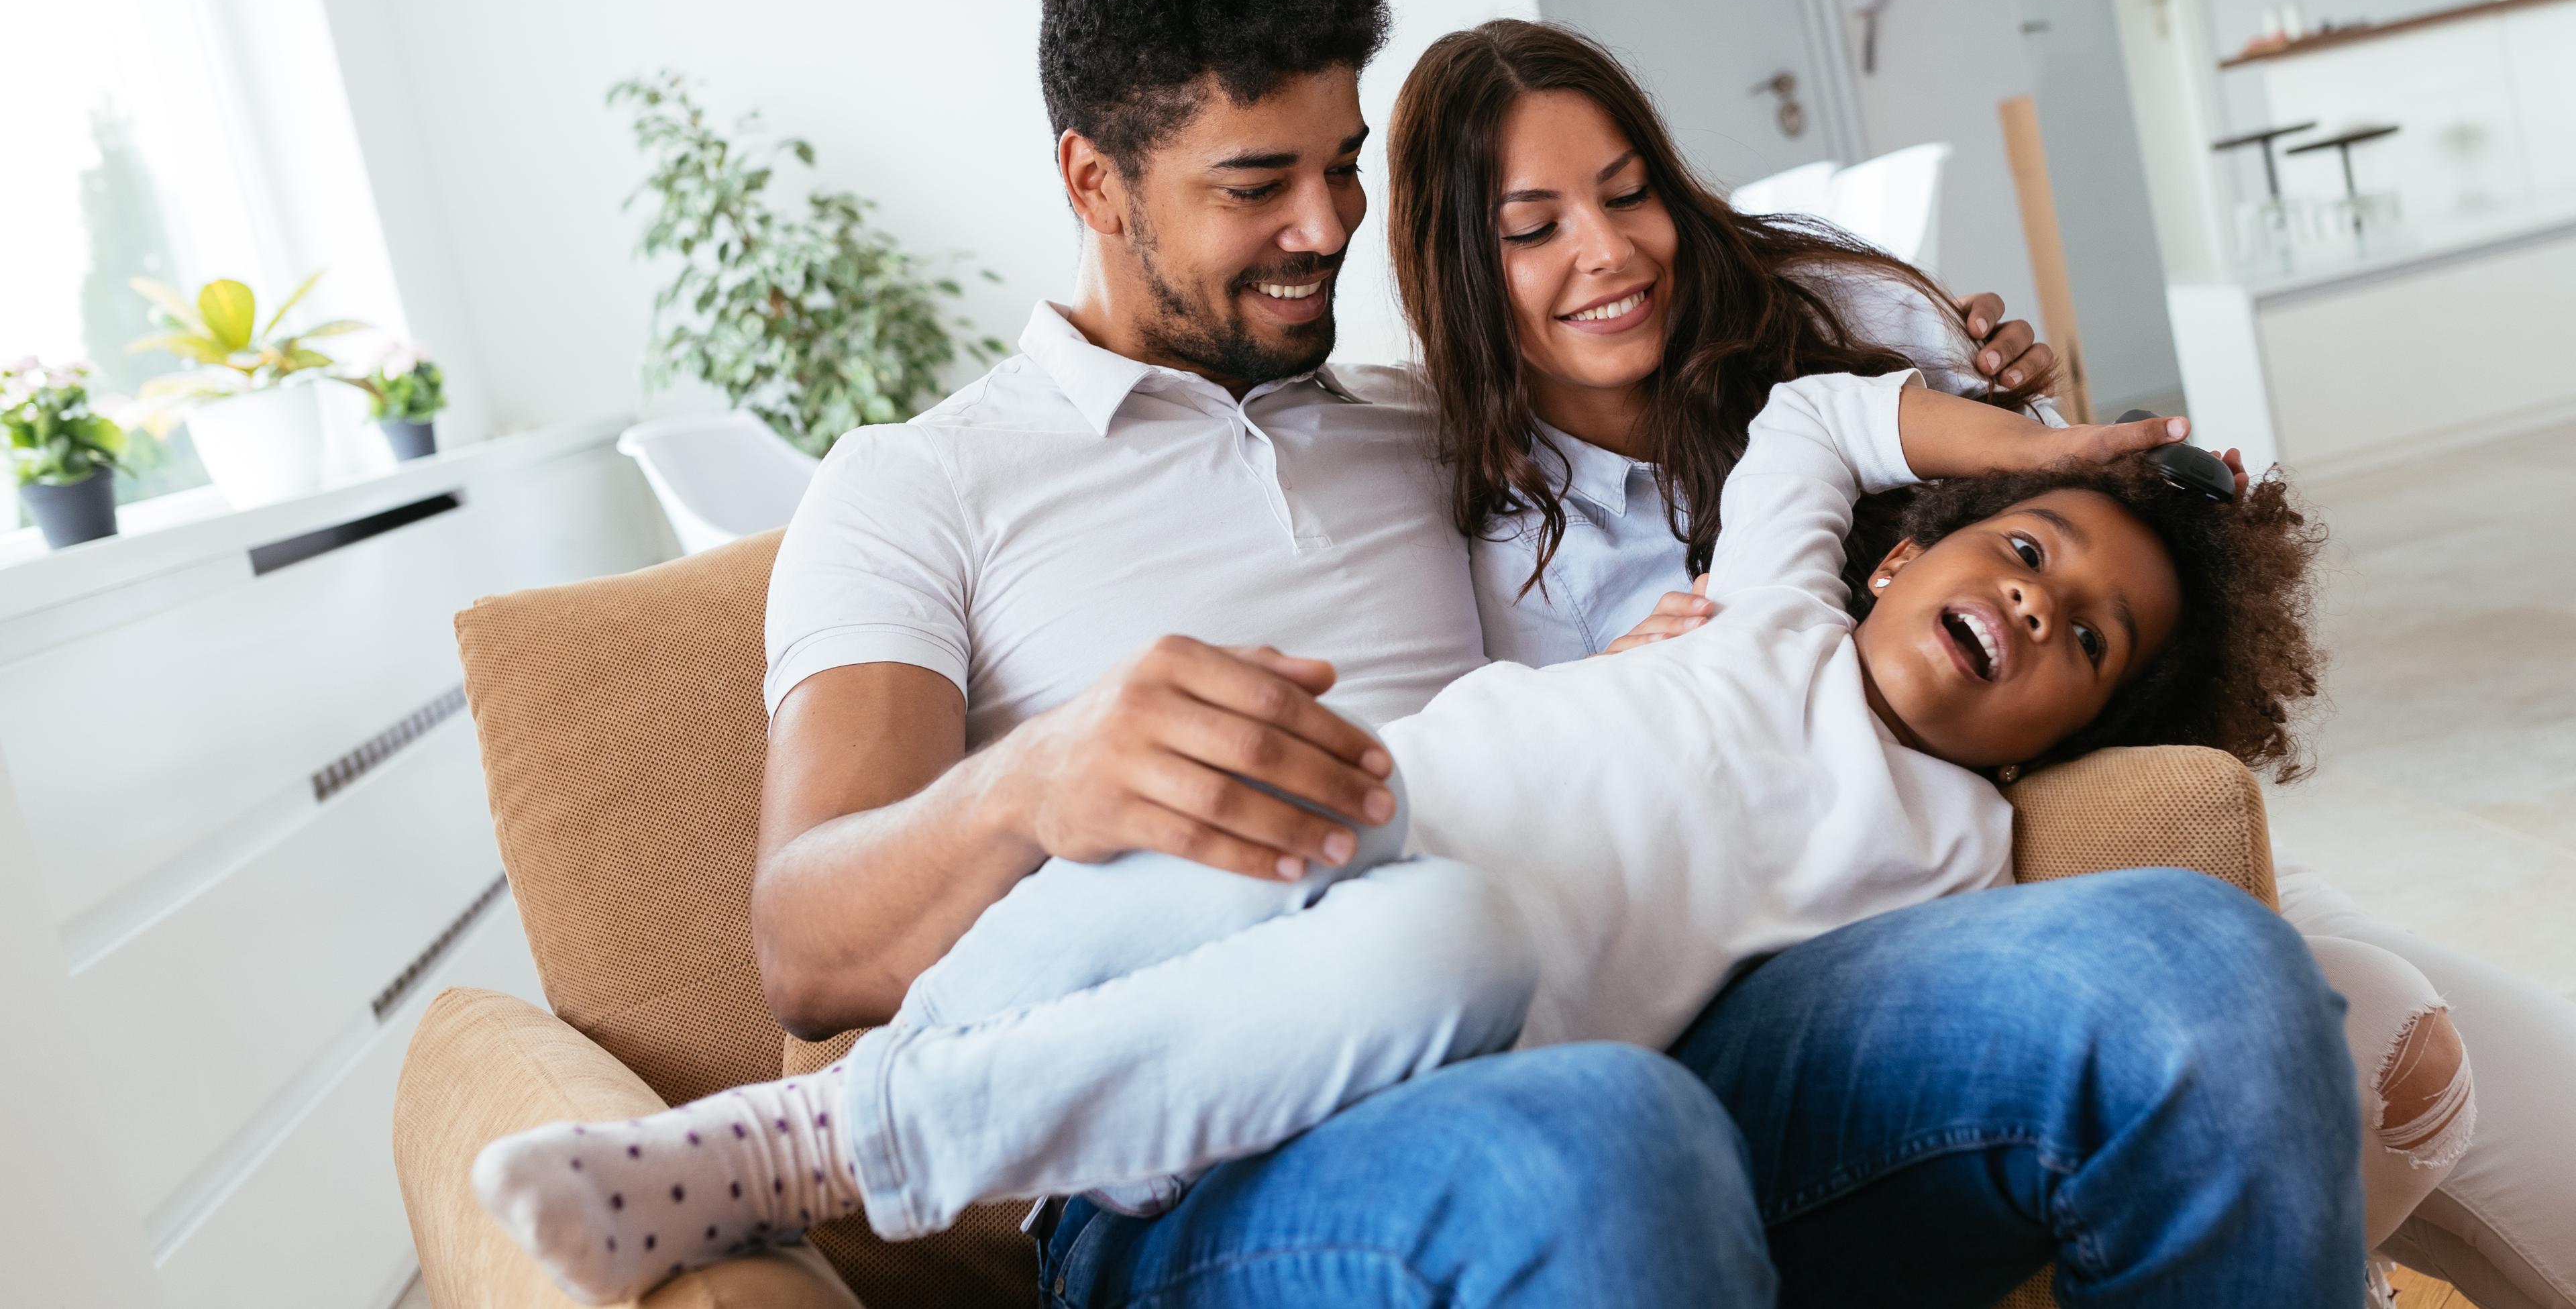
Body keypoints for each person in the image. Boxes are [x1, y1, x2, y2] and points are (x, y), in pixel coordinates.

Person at [635, 0, 2356, 1308]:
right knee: (1609, 1137)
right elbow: (805, 943)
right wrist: (1044, 778)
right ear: (1094, 179)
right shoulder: (919, 486)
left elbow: (1756, 410)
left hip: (1637, 1004)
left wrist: (1980, 382)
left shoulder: (1440, 425)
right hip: (1228, 1140)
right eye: (1257, 184)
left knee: (2203, 980)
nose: (1326, 227)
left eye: (1340, 162)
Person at [475, 372, 2349, 1306]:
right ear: (1906, 548)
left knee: (1469, 951)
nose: (2037, 609)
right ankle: (838, 1134)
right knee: (1426, 896)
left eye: (2086, 640)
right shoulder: (1772, 599)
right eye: (2021, 549)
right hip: (1236, 901)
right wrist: (2047, 443)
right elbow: (1809, 417)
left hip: (1464, 1015)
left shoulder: (1953, 844)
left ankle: (853, 1134)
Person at [1385, 17, 2506, 1301]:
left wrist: (2040, 437)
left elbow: (2075, 537)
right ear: (1462, 265)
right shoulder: (1579, 562)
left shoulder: (1839, 352)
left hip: (1994, 812)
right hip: (1651, 987)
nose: (1607, 249)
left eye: (1630, 194)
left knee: (2382, 1031)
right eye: (1533, 228)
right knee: (2362, 1040)